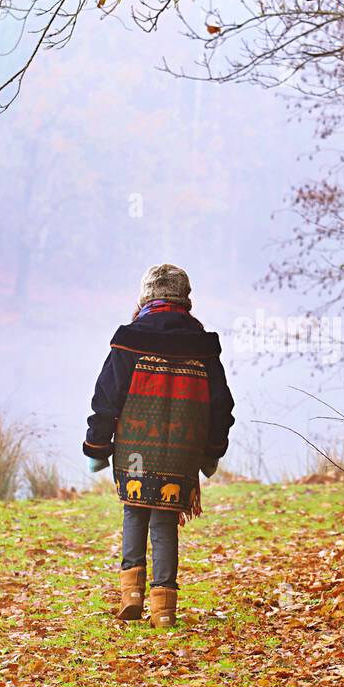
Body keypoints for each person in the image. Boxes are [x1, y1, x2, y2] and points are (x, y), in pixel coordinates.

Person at [83, 264, 234, 627]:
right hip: (181, 451)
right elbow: (220, 405)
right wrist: (212, 451)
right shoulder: (203, 345)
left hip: (135, 447)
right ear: (186, 298)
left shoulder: (129, 339)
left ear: (146, 297)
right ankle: (164, 609)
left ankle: (131, 594)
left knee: (135, 511)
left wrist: (97, 446)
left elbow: (107, 398)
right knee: (165, 520)